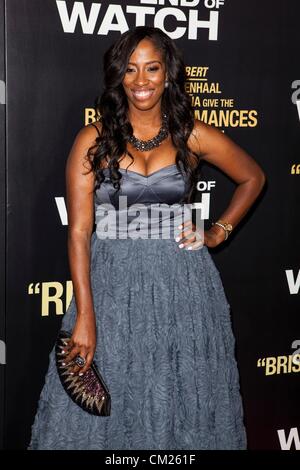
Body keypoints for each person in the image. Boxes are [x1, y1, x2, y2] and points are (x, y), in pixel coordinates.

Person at [28, 26, 265, 450]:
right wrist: (86, 313)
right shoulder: (94, 139)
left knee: (182, 396)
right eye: (131, 69)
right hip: (113, 285)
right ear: (118, 75)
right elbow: (80, 233)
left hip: (184, 287)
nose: (141, 81)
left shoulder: (191, 134)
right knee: (110, 399)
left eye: (152, 69)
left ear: (168, 74)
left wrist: (216, 232)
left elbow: (253, 177)